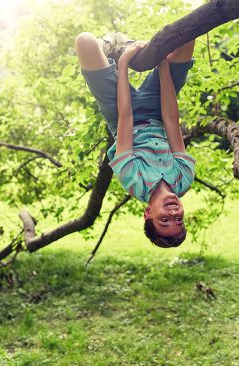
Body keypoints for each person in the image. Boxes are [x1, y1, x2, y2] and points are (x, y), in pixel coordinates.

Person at [75, 32, 196, 248]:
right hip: (158, 108)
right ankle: (131, 47)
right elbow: (170, 119)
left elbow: (125, 117)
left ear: (148, 213)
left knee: (84, 42)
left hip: (120, 112)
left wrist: (123, 64)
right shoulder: (183, 178)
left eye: (164, 220)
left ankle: (112, 47)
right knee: (188, 38)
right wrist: (161, 62)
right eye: (179, 219)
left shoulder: (133, 180)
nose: (173, 212)